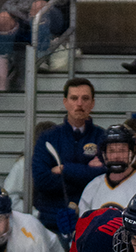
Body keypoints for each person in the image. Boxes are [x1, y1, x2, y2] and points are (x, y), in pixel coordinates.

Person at [31, 78, 105, 240]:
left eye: (85, 99)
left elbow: (104, 178)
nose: (79, 104)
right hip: (51, 224)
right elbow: (42, 180)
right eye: (74, 98)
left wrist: (65, 169)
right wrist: (87, 173)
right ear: (65, 102)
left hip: (92, 224)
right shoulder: (48, 138)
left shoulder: (103, 138)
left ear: (92, 103)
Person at [77, 125, 136, 215]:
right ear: (104, 154)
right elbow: (84, 226)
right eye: (111, 151)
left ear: (132, 152)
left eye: (122, 150)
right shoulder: (93, 187)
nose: (116, 156)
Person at [0, 0, 70, 91]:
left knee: (38, 5)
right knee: (3, 18)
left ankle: (41, 58)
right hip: (21, 16)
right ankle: (1, 85)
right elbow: (10, 5)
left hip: (52, 14)